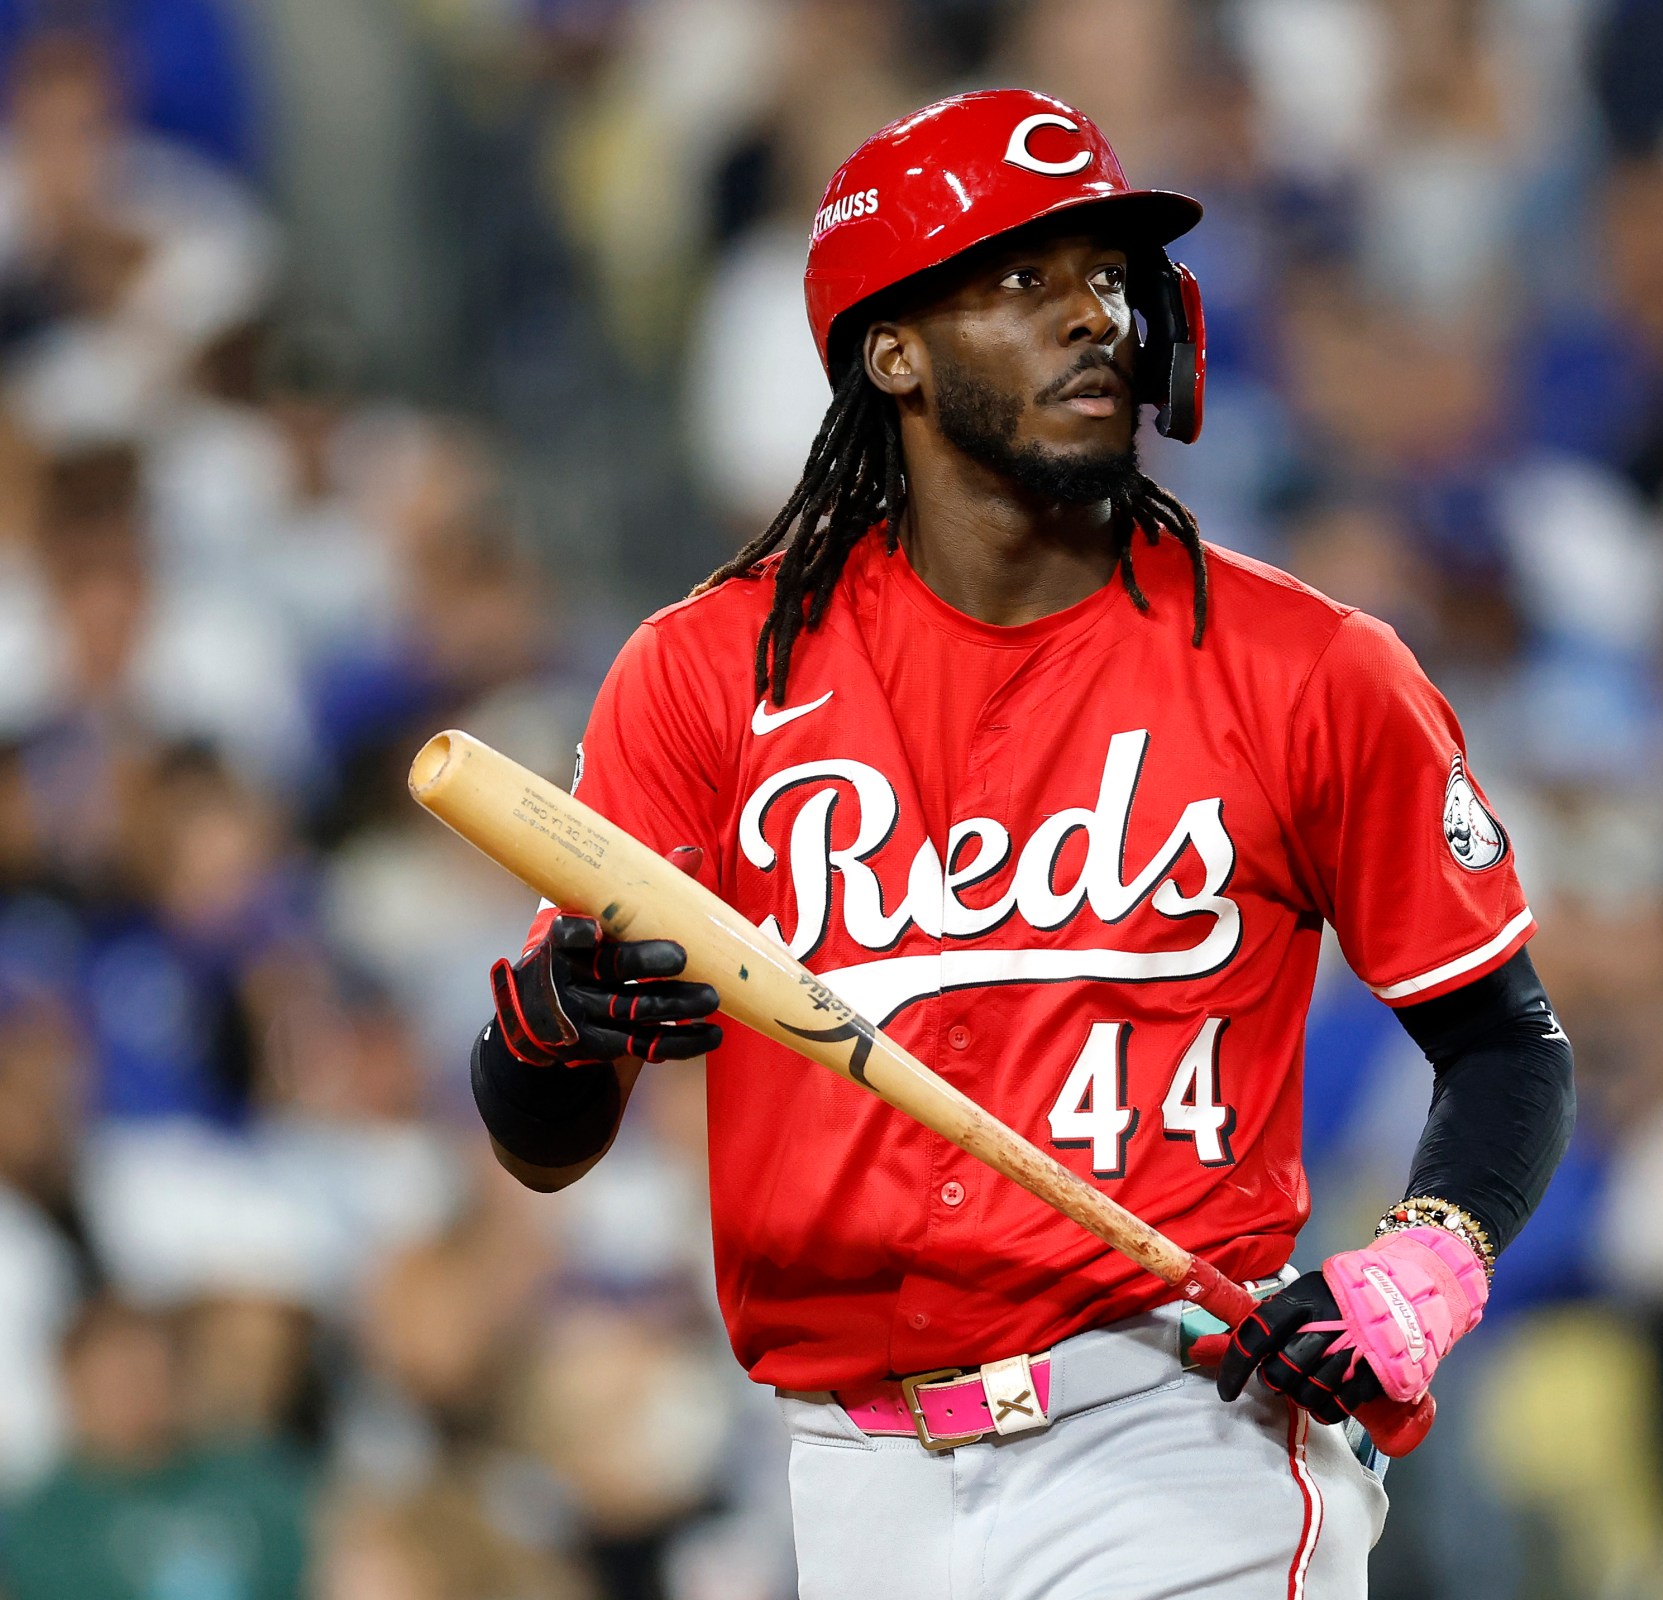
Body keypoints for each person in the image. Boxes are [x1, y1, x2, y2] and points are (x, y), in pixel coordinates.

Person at [462, 90, 1574, 1598]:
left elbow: (1506, 1040)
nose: (1092, 320)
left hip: (1180, 1434)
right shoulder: (707, 670)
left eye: (1106, 277)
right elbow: (546, 1137)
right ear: (893, 349)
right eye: (1021, 280)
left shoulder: (1309, 667)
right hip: (850, 1476)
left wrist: (1430, 1258)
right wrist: (543, 1034)